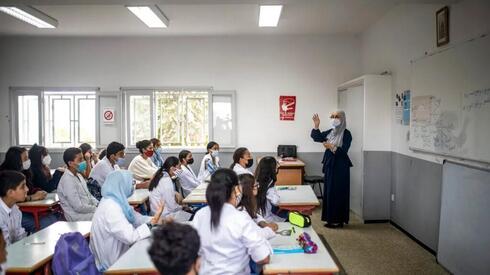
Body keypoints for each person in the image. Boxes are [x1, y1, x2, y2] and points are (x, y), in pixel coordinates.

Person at [192, 169, 271, 274]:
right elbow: (263, 257)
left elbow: (194, 253)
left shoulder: (200, 215)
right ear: (236, 190)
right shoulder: (240, 218)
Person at [89, 170, 164, 271]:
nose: (132, 186)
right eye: (131, 183)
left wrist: (159, 220)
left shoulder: (116, 200)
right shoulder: (111, 207)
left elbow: (137, 219)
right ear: (121, 185)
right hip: (112, 264)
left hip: (120, 254)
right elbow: (130, 237)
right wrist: (153, 222)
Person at [311, 112, 352, 228]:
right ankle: (330, 219)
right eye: (332, 117)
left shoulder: (346, 133)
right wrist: (316, 125)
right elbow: (317, 137)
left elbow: (344, 151)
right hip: (330, 165)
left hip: (340, 166)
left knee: (338, 192)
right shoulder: (331, 132)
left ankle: (339, 221)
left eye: (336, 117)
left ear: (342, 118)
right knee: (329, 191)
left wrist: (331, 147)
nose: (334, 119)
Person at [0, 147, 55, 233]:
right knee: (44, 223)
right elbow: (9, 198)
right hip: (18, 210)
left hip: (17, 210)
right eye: (25, 158)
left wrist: (37, 191)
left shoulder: (24, 171)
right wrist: (31, 197)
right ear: (16, 160)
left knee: (52, 217)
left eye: (28, 158)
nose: (28, 161)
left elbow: (30, 188)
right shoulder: (6, 177)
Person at [57, 148, 99, 221]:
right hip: (77, 216)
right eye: (80, 160)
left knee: (106, 212)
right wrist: (96, 209)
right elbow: (78, 207)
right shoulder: (67, 180)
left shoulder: (78, 175)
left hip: (87, 210)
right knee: (103, 216)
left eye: (83, 159)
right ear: (70, 163)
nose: (84, 162)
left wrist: (98, 204)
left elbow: (88, 195)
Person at [237, 174, 277, 239]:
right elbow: (255, 235)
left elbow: (255, 215)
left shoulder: (249, 202)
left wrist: (263, 223)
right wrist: (270, 229)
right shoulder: (241, 210)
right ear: (250, 188)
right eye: (256, 185)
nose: (257, 187)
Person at [0, 171, 28, 245]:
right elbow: (5, 246)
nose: (27, 189)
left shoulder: (15, 209)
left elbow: (20, 237)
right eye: (23, 187)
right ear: (10, 193)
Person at [255, 157, 285, 222]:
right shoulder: (269, 185)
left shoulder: (256, 179)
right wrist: (275, 192)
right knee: (289, 215)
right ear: (272, 169)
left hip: (258, 217)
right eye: (276, 167)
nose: (277, 168)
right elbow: (276, 201)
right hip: (266, 219)